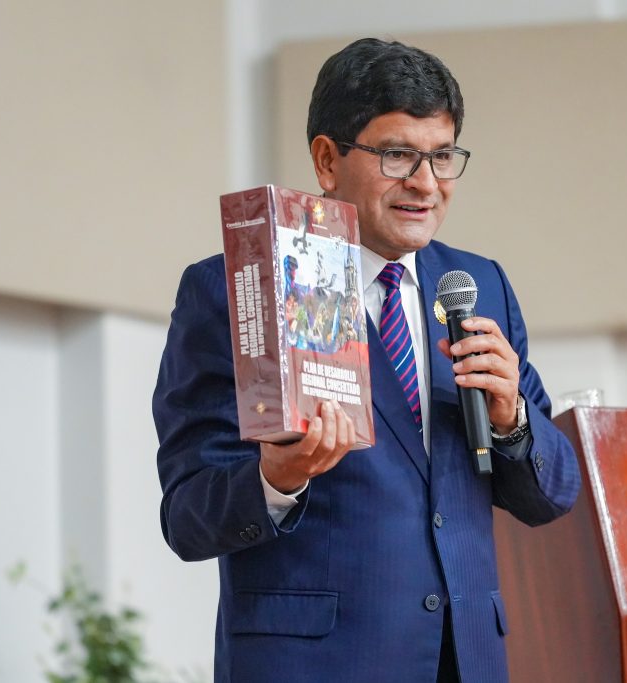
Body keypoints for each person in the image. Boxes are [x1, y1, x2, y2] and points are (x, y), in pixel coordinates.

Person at [153, 37, 580, 683]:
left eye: (442, 156)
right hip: (314, 665)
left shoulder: (478, 284)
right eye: (397, 154)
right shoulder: (243, 286)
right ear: (328, 159)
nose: (426, 183)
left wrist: (512, 419)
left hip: (465, 661)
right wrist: (277, 479)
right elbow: (188, 516)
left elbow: (553, 493)